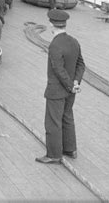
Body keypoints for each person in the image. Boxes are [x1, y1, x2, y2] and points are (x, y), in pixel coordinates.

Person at [36, 9, 85, 164]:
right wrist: (76, 83)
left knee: (53, 122)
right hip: (71, 90)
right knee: (67, 117)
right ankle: (70, 149)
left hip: (57, 90)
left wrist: (71, 86)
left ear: (51, 24)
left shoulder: (55, 45)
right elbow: (81, 64)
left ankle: (54, 154)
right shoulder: (74, 41)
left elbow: (58, 70)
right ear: (64, 24)